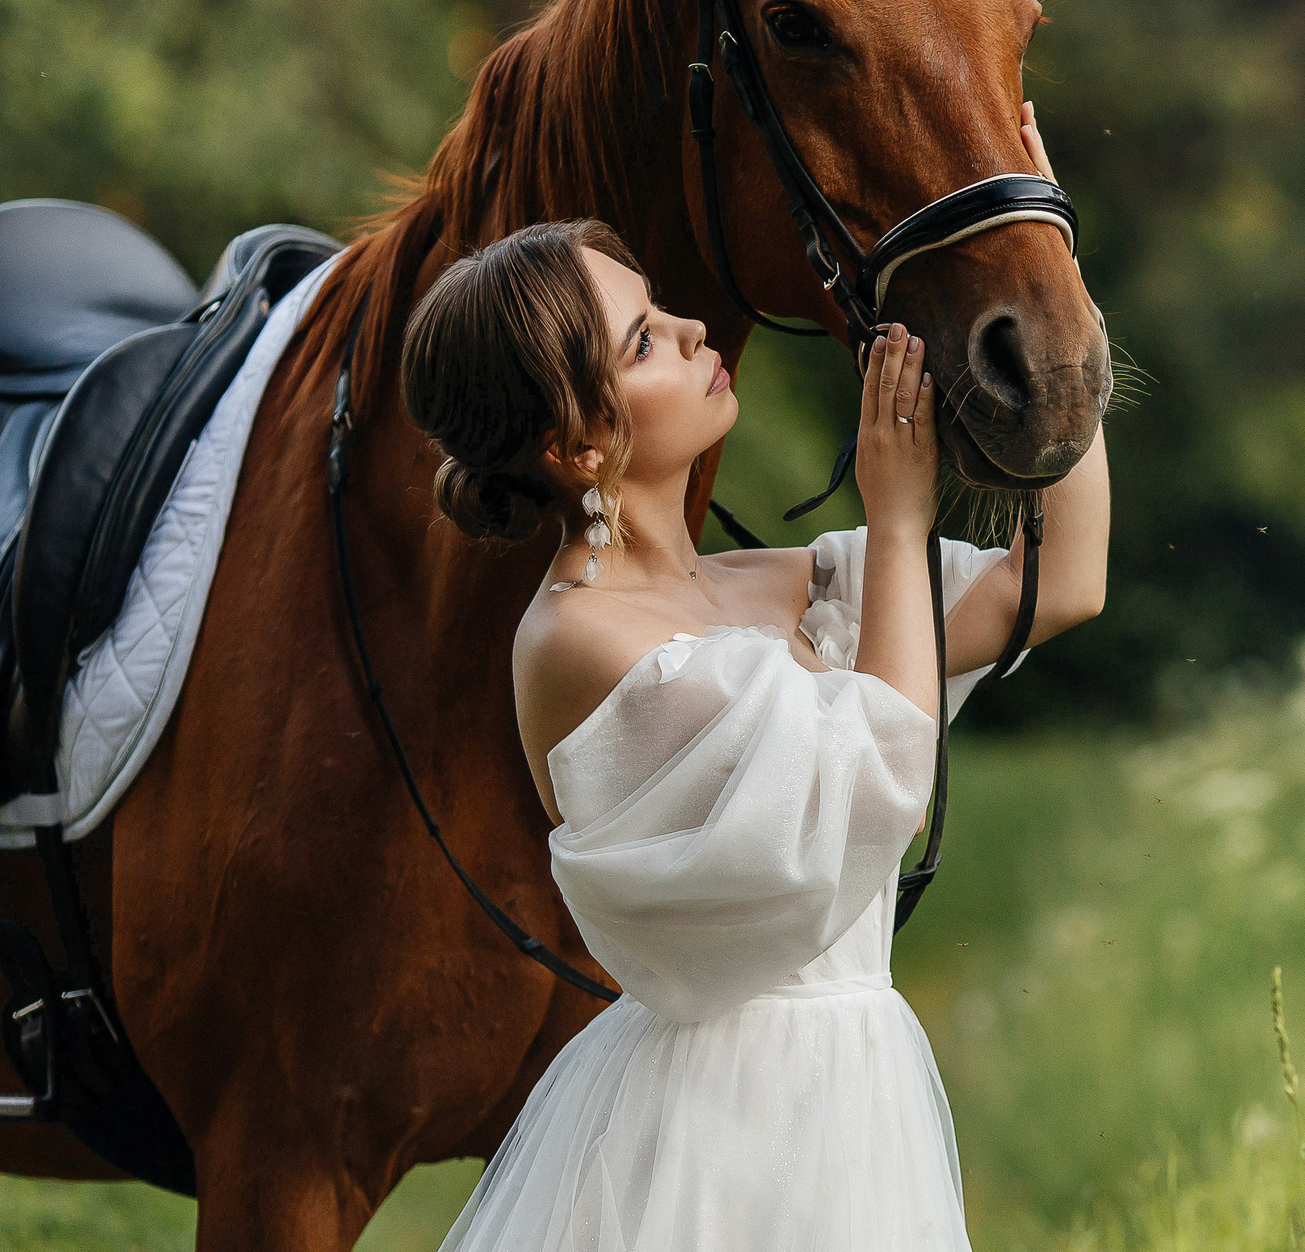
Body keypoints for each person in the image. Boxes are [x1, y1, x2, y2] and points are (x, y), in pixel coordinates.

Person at [398, 113, 1108, 1250]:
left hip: (852, 1097)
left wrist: (1047, 261)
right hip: (718, 1138)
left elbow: (1057, 579)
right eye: (642, 341)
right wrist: (897, 516)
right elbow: (877, 788)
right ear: (577, 444)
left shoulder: (776, 585)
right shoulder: (579, 642)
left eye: (657, 309)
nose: (690, 329)